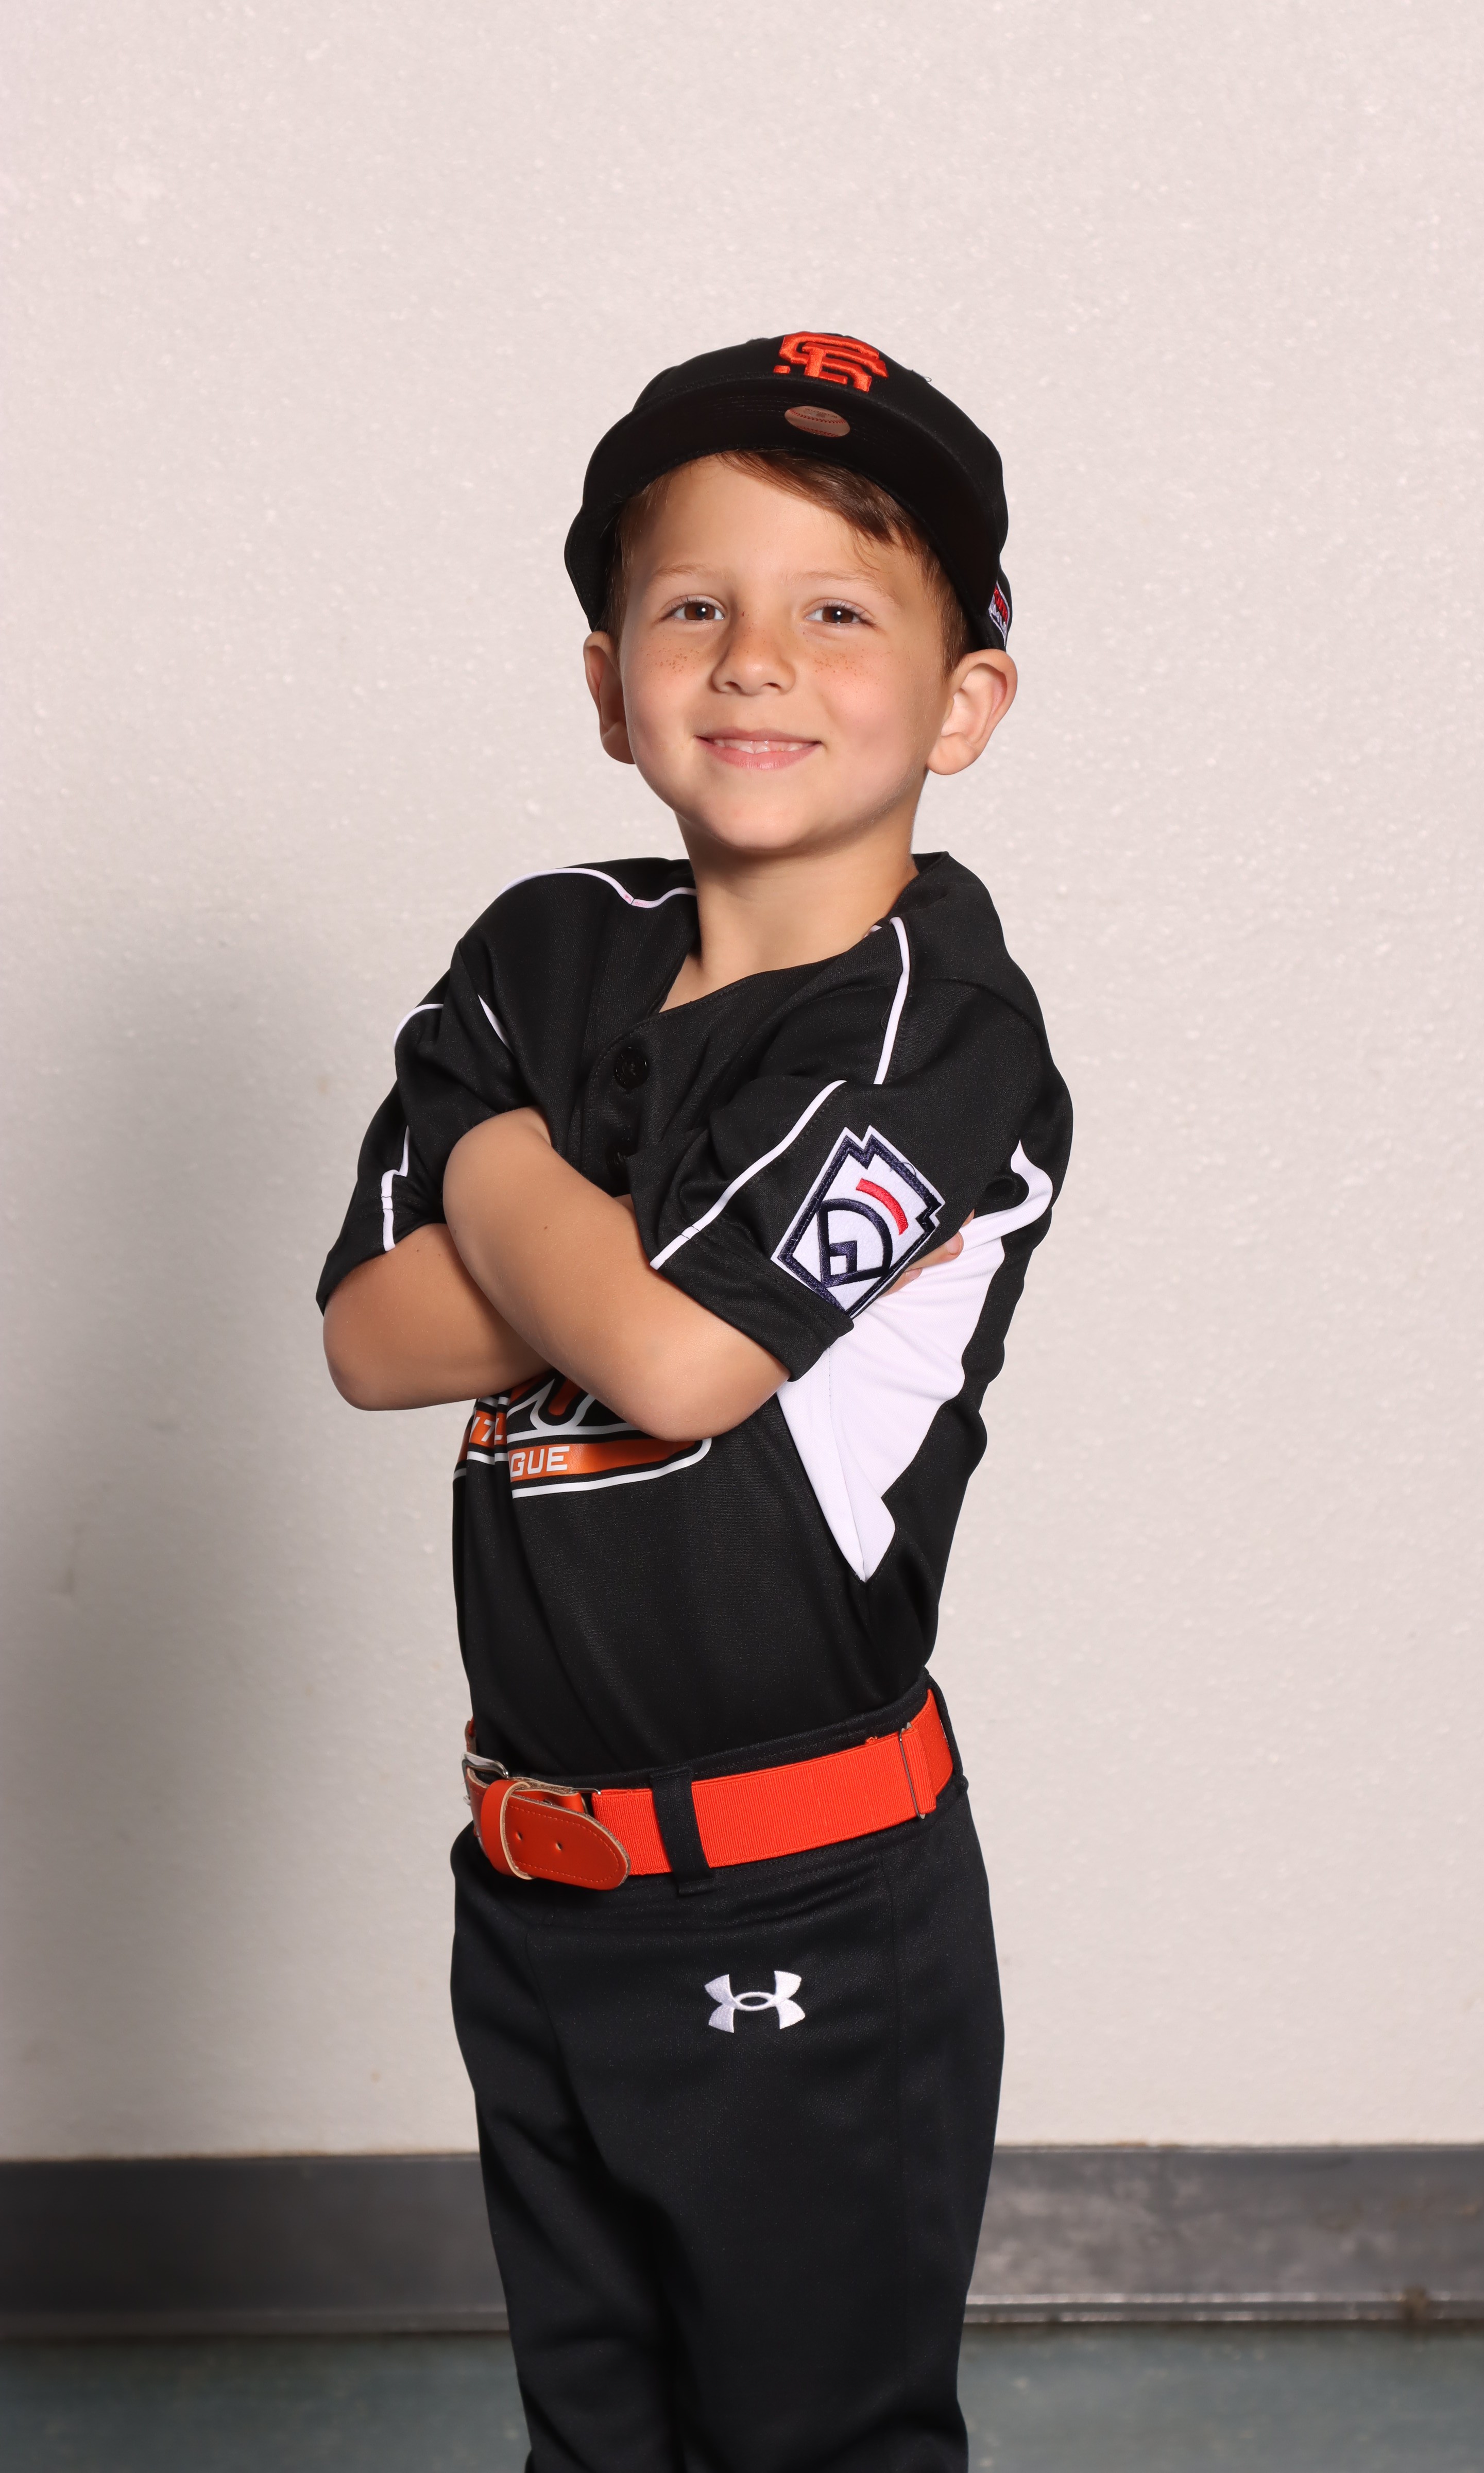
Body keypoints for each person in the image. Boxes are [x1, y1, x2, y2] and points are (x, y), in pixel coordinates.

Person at [318, 332, 1072, 2473]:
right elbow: (373, 1340)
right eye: (690, 606)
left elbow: (675, 1362)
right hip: (535, 1887)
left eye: (838, 608)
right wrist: (597, 1219)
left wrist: (494, 1159)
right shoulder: (545, 945)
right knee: (597, 2440)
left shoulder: (942, 1030)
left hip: (799, 1898)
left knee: (808, 2446)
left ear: (962, 702)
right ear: (607, 681)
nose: (754, 659)